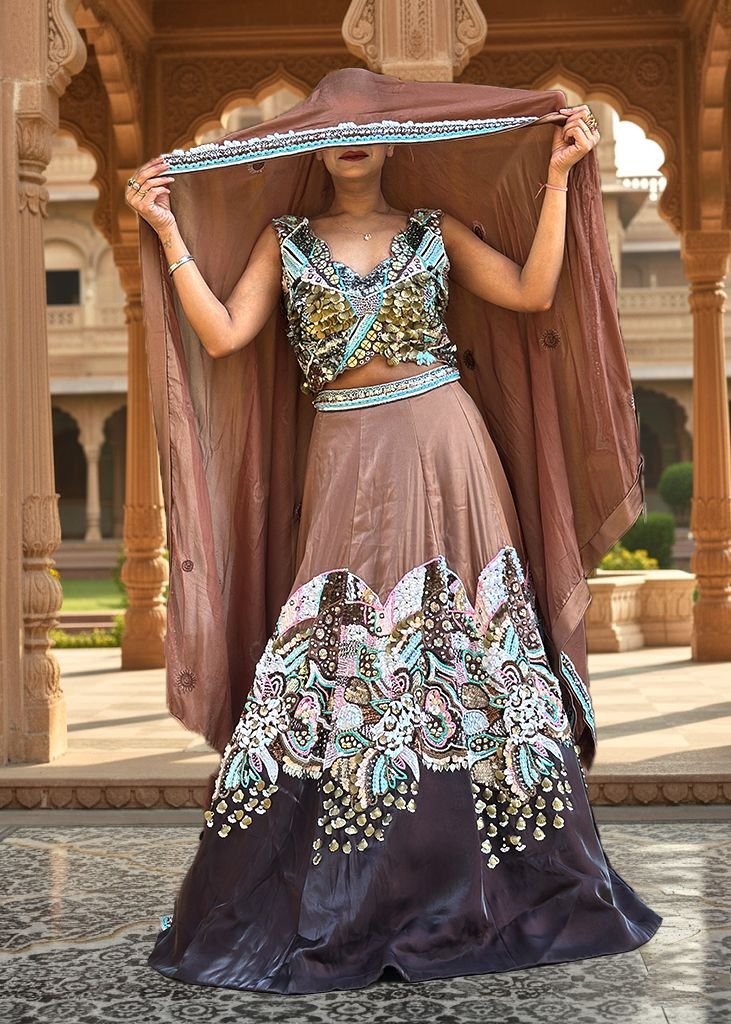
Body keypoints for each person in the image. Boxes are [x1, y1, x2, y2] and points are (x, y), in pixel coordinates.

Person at [128, 68, 661, 994]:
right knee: (340, 639)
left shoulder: (431, 230)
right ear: (310, 144)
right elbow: (221, 335)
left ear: (393, 137)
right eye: (330, 125)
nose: (350, 137)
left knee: (462, 644)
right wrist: (167, 229)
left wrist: (561, 176)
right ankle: (349, 869)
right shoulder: (284, 240)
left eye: (367, 123)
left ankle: (486, 869)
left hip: (447, 443)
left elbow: (533, 292)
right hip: (346, 452)